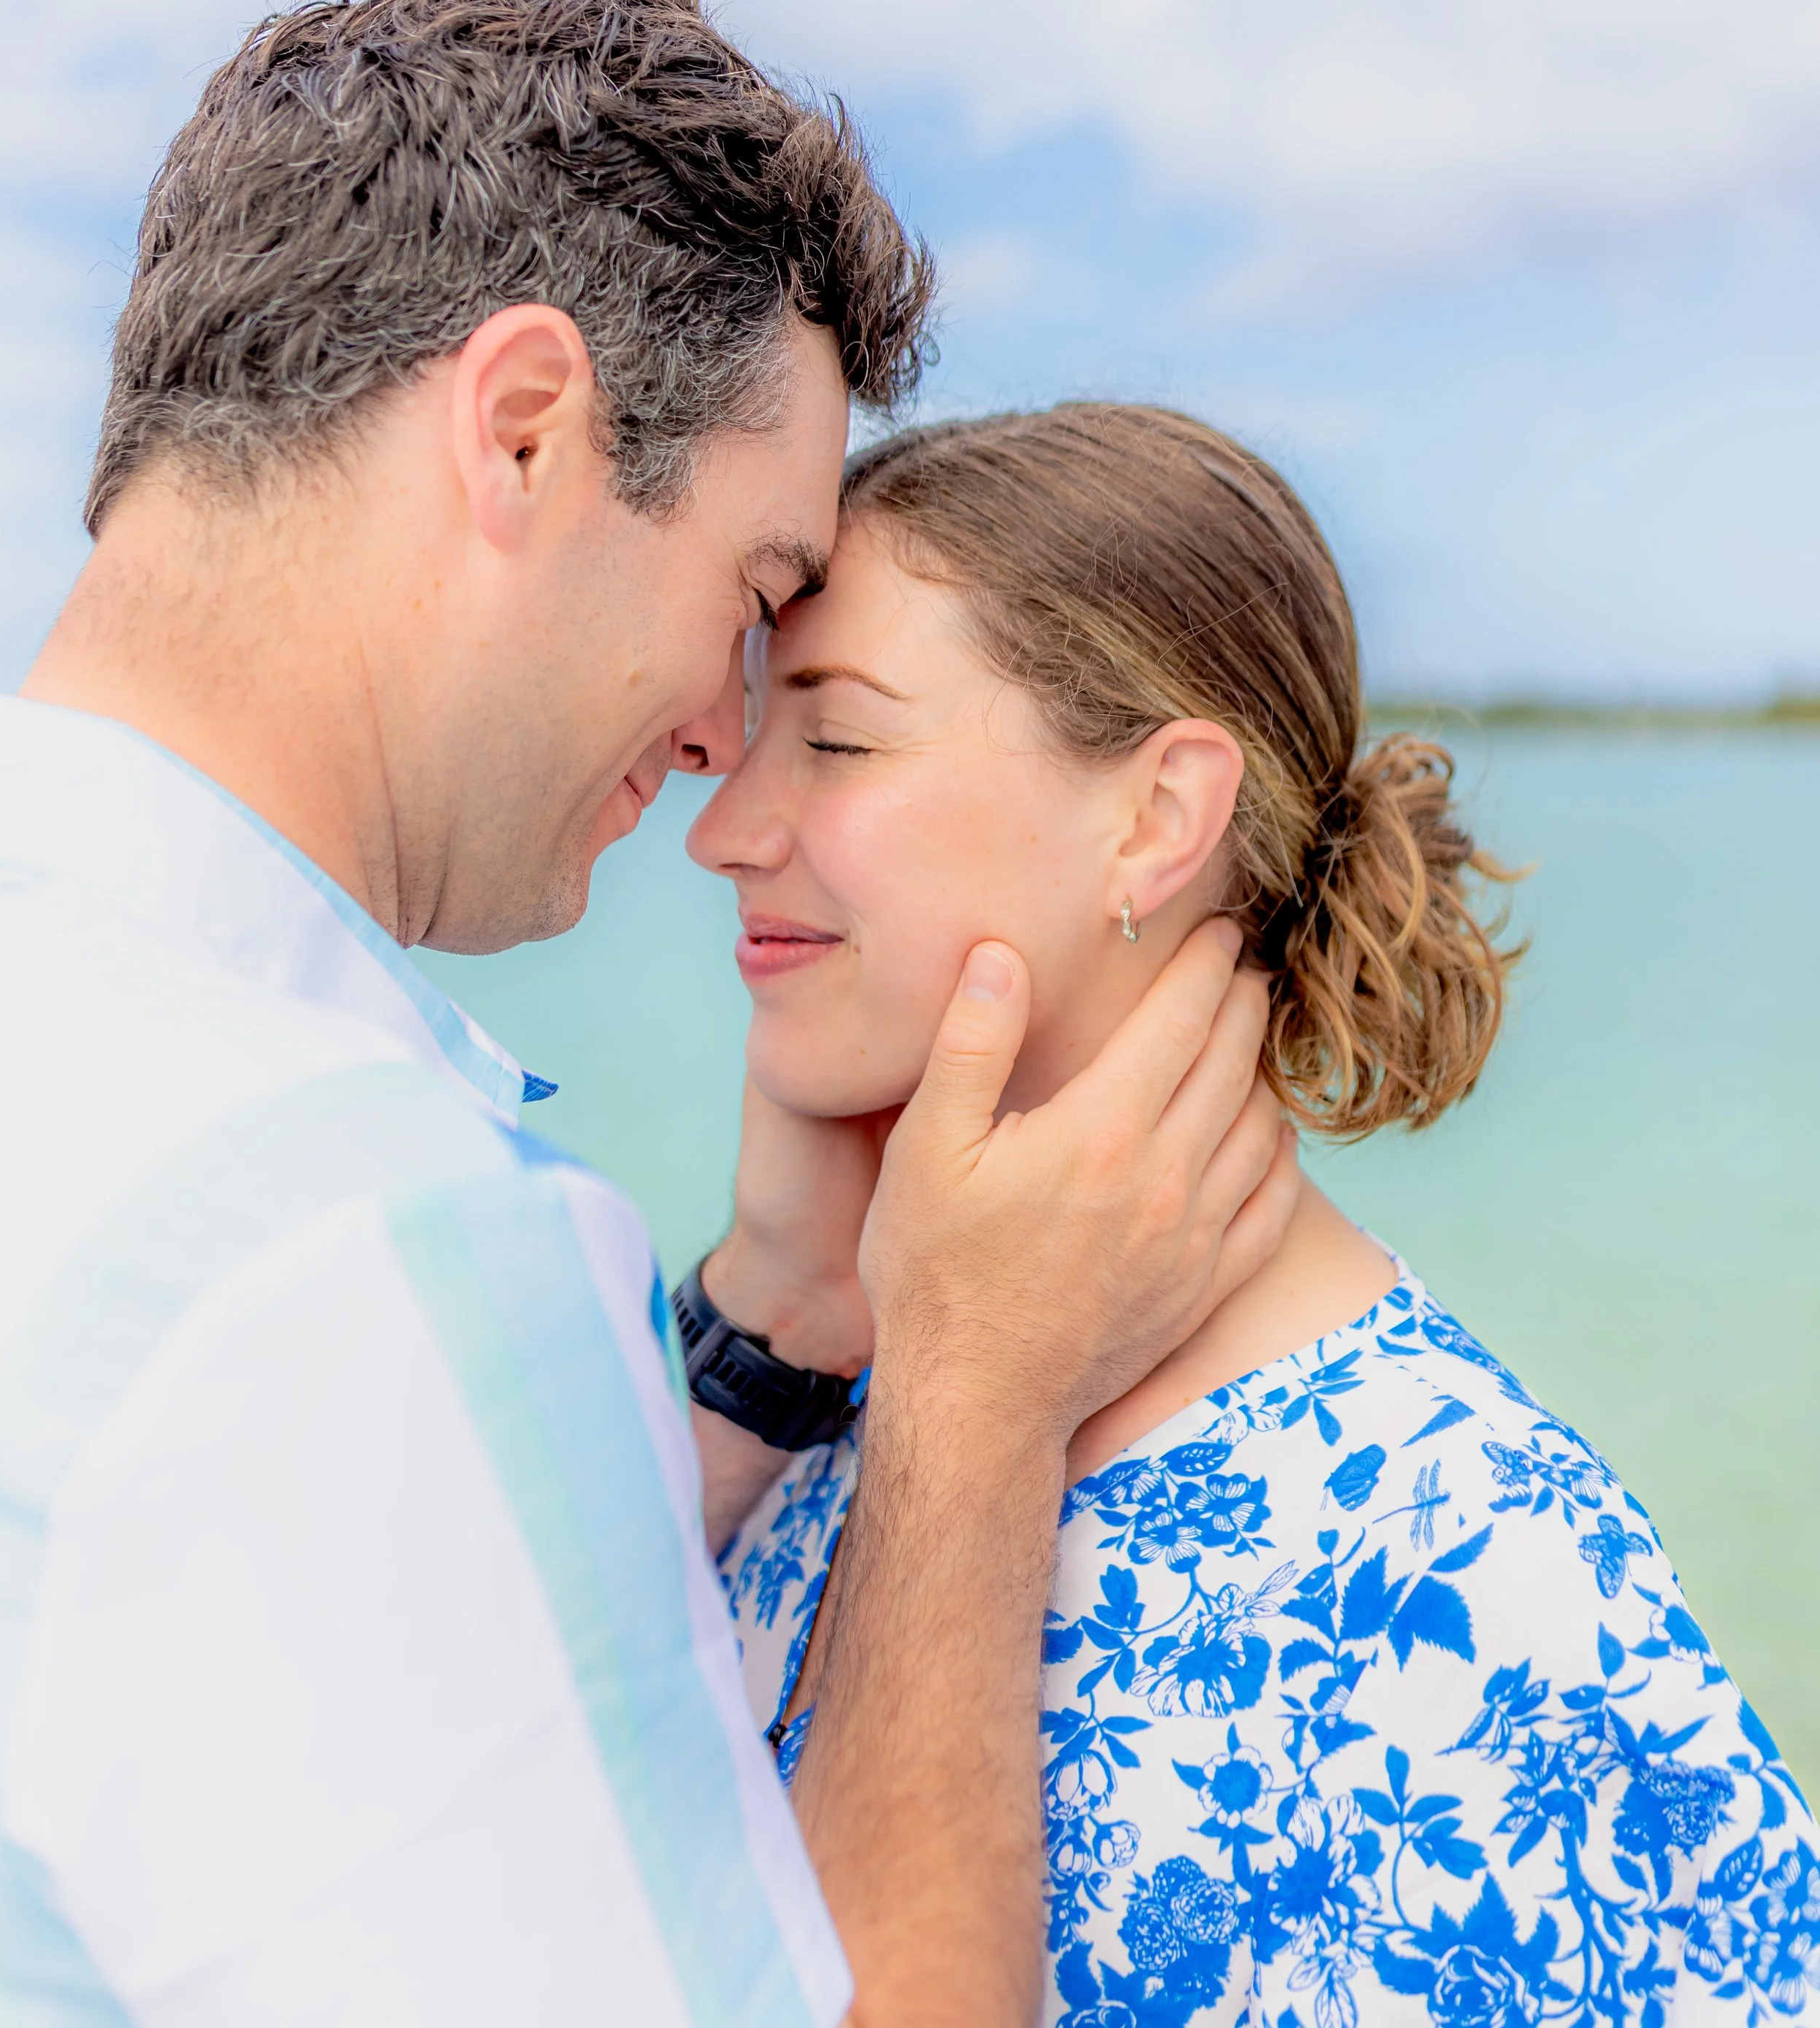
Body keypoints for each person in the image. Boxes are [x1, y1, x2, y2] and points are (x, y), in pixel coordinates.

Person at [0, 0, 1296, 2027]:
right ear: (519, 430)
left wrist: (773, 1332)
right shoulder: (345, 1235)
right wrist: (967, 1404)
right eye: (754, 583)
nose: (717, 748)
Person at [696, 400, 1819, 2028]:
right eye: (741, 734)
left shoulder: (1478, 1573)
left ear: (1156, 818)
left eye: (837, 738)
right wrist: (774, 1319)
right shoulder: (837, 1382)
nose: (721, 829)